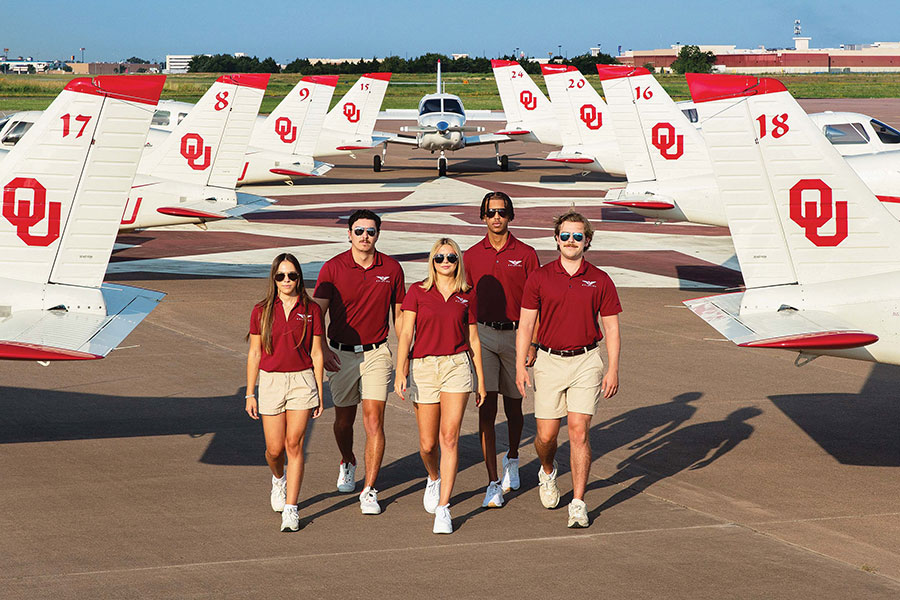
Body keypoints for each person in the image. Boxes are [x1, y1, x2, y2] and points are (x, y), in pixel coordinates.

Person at [515, 210, 621, 529]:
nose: (571, 241)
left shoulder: (600, 279)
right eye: (565, 236)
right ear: (556, 239)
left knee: (578, 430)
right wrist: (521, 364)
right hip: (548, 361)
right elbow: (526, 324)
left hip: (587, 360)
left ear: (587, 241)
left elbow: (612, 328)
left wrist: (612, 368)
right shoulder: (539, 277)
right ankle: (547, 471)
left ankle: (578, 502)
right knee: (546, 435)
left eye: (577, 236)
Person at [313, 209, 405, 515]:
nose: (365, 237)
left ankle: (369, 489)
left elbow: (401, 316)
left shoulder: (391, 268)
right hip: (341, 353)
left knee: (373, 420)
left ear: (378, 234)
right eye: (359, 231)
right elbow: (316, 315)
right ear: (349, 234)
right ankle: (348, 460)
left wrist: (405, 354)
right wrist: (323, 349)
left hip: (377, 353)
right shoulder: (333, 268)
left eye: (371, 231)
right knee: (343, 421)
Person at [395, 237, 487, 534]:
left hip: (457, 367)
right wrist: (401, 370)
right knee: (428, 444)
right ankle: (433, 476)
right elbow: (406, 334)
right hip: (423, 368)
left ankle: (444, 508)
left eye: (451, 258)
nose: (445, 262)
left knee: (449, 438)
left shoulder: (467, 295)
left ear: (458, 261)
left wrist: (480, 380)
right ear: (432, 261)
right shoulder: (417, 292)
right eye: (440, 258)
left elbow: (473, 339)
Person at [463, 191, 539, 509]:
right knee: (486, 407)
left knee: (514, 407)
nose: (497, 217)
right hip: (482, 336)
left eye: (503, 211)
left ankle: (512, 456)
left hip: (516, 335)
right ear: (482, 216)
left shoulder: (526, 254)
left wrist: (533, 341)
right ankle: (492, 481)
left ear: (510, 216)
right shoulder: (469, 255)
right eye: (491, 212)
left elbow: (538, 300)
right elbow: (462, 299)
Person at [246, 253, 325, 532]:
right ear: (274, 279)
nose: (287, 280)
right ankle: (278, 479)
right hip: (270, 382)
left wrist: (319, 390)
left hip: (302, 382)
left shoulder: (312, 309)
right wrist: (250, 393)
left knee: (294, 444)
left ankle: (291, 508)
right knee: (274, 449)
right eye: (281, 276)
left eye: (292, 275)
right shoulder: (261, 310)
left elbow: (317, 352)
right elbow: (255, 353)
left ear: (299, 278)